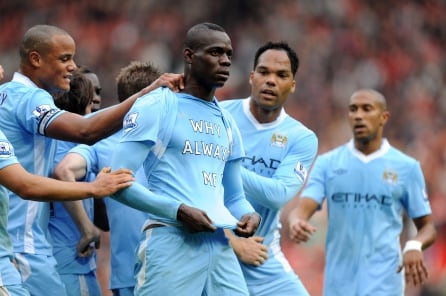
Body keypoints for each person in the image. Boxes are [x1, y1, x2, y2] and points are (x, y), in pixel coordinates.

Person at [0, 24, 183, 296]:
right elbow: (86, 131)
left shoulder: (9, 96)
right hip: (22, 245)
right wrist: (147, 94)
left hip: (19, 240)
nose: (73, 67)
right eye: (64, 59)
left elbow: (86, 124)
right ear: (36, 59)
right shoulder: (28, 97)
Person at [109, 22, 260, 296]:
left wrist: (248, 214)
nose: (225, 60)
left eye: (228, 53)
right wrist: (177, 210)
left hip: (218, 245)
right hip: (170, 239)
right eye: (215, 52)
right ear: (189, 56)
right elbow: (115, 182)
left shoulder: (228, 122)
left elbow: (235, 197)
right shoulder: (157, 105)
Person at [288, 89, 437, 296]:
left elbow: (427, 227)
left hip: (385, 285)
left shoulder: (407, 168)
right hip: (338, 286)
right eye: (353, 109)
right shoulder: (327, 164)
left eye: (367, 109)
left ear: (384, 117)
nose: (359, 115)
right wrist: (296, 221)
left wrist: (414, 245)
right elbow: (301, 210)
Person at [53, 61, 162, 296]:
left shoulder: (99, 141)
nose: (96, 100)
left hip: (128, 275)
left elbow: (64, 171)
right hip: (174, 269)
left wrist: (89, 226)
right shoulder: (176, 136)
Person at [220, 41, 318, 295]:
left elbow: (277, 195)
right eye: (264, 72)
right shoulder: (219, 116)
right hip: (212, 247)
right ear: (252, 77)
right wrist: (231, 242)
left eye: (281, 75)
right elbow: (192, 185)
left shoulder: (301, 138)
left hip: (261, 257)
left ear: (292, 85)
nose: (271, 80)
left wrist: (218, 163)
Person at [0, 128, 133, 296]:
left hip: (37, 256)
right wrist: (93, 191)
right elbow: (31, 184)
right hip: (64, 259)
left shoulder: (58, 143)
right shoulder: (76, 140)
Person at [50, 70, 102, 296]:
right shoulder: (72, 150)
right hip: (72, 262)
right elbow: (62, 174)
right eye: (92, 100)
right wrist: (88, 229)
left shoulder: (48, 144)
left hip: (56, 262)